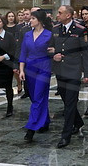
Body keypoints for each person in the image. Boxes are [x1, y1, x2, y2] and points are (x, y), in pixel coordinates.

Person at [51, 5, 88, 148]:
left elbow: (86, 53)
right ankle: (78, 121)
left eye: (60, 13)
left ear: (68, 15)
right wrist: (53, 55)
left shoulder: (81, 30)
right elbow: (50, 47)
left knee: (70, 103)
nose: (58, 15)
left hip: (74, 71)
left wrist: (87, 74)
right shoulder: (55, 29)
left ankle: (65, 135)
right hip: (60, 70)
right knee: (64, 98)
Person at [19, 10, 53, 142]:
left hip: (43, 68)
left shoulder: (49, 35)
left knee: (38, 97)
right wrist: (21, 70)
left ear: (39, 20)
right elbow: (23, 53)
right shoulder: (27, 35)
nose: (30, 20)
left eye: (33, 18)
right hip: (29, 69)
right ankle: (45, 121)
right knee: (35, 98)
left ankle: (31, 129)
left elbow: (55, 50)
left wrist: (54, 51)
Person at [5, 11, 22, 93]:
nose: (11, 18)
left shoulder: (18, 27)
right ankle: (8, 85)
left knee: (15, 69)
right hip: (6, 50)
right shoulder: (4, 27)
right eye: (9, 16)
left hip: (15, 51)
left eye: (12, 16)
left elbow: (19, 39)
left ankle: (19, 83)